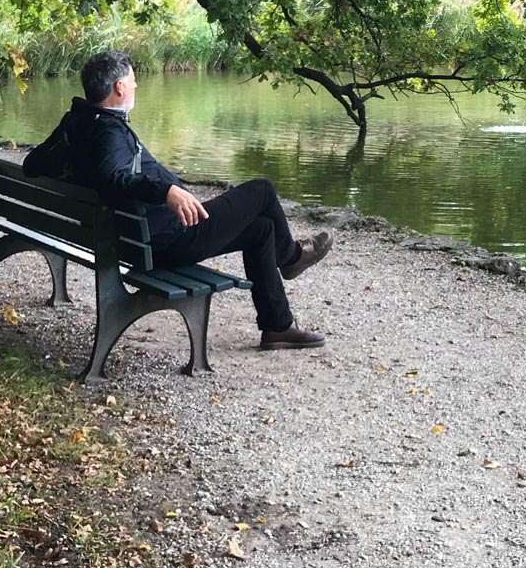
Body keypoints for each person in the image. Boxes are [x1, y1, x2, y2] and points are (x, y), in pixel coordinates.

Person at [23, 49, 330, 349]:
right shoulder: (107, 131)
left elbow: (32, 164)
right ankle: (290, 259)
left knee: (262, 229)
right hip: (167, 241)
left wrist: (74, 165)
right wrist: (165, 191)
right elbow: (112, 176)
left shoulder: (79, 120)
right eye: (132, 80)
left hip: (129, 237)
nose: (136, 85)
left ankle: (278, 327)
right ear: (119, 87)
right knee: (261, 190)